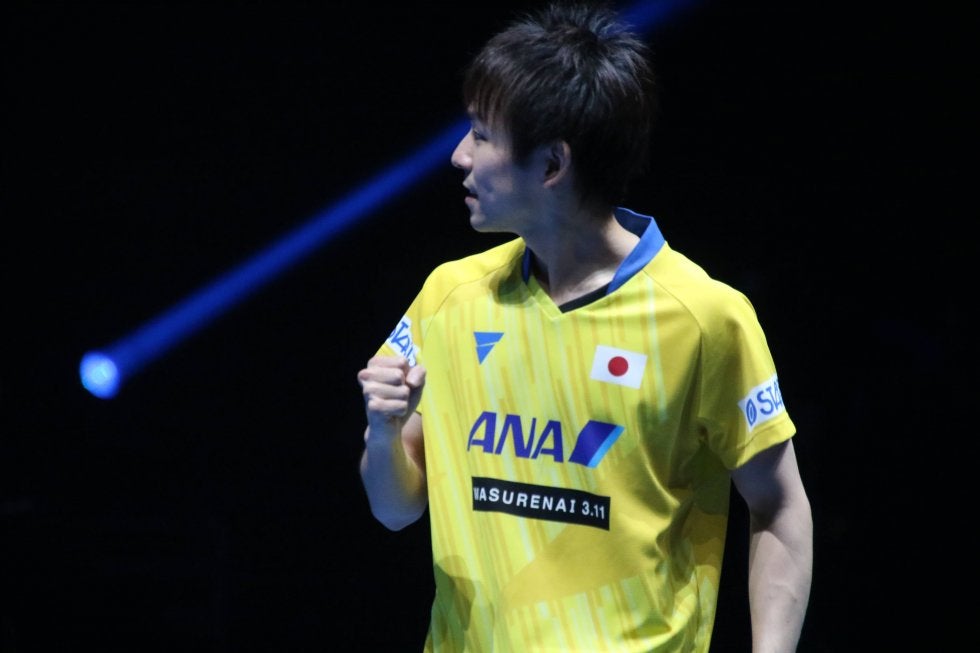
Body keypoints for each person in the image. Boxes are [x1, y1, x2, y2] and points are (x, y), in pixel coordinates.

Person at [356, 2, 812, 651]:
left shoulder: (704, 317)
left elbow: (780, 505)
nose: (458, 156)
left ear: (552, 164)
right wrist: (383, 431)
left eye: (481, 136)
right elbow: (395, 509)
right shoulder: (448, 296)